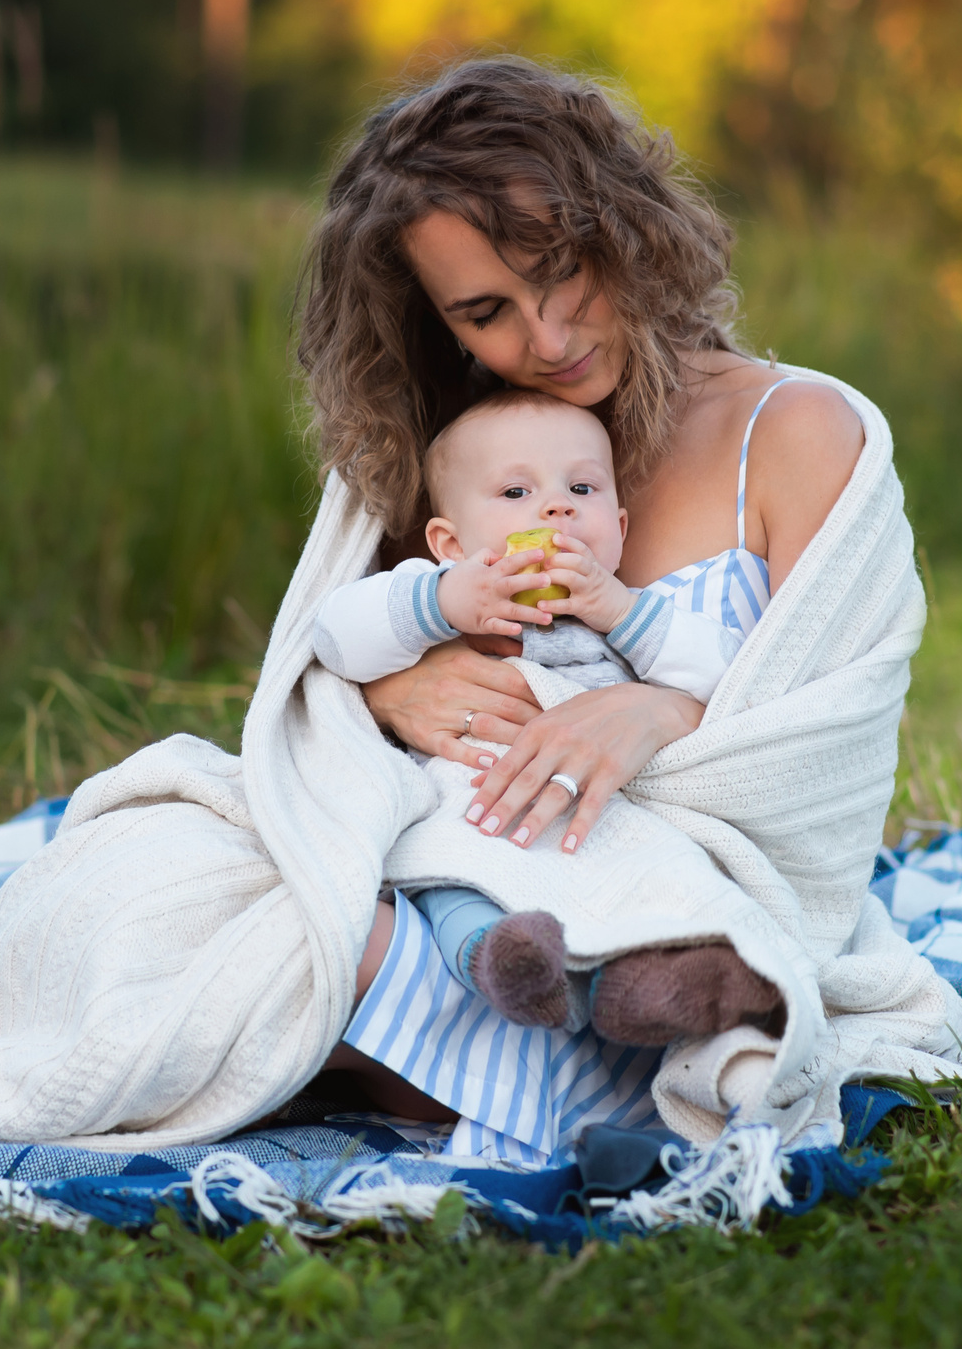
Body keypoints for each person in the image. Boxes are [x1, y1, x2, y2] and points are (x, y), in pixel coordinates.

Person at [0, 56, 947, 1155]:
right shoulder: (466, 439)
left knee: (320, 963)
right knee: (137, 872)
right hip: (437, 868)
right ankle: (315, 1045)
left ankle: (423, 1057)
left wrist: (651, 711)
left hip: (658, 937)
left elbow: (811, 775)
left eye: (563, 266)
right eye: (486, 309)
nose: (545, 335)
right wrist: (380, 693)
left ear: (627, 222)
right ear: (432, 324)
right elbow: (319, 683)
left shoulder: (800, 432)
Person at [309, 385, 786, 1039]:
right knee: (443, 874)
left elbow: (733, 678)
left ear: (617, 533)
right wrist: (444, 602)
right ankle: (498, 958)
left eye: (583, 490)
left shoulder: (631, 619)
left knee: (659, 870)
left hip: (594, 819)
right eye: (515, 493)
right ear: (449, 541)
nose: (556, 506)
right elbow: (333, 637)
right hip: (470, 808)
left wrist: (619, 608)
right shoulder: (436, 599)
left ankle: (642, 985)